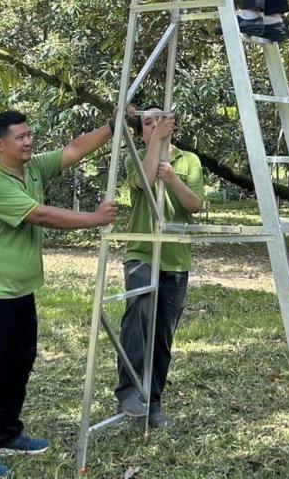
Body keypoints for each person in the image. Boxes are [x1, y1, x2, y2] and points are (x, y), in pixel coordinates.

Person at [0, 109, 120, 478]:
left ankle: (7, 432)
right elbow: (41, 216)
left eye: (30, 135)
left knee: (18, 363)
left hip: (19, 290)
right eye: (21, 137)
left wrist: (112, 126)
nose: (29, 141)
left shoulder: (31, 169)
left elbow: (75, 149)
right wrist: (95, 219)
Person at [115, 108, 205, 428]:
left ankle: (152, 401)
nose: (153, 126)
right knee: (138, 311)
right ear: (141, 135)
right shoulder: (135, 158)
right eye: (147, 124)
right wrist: (155, 144)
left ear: (171, 126)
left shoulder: (189, 160)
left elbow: (195, 205)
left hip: (176, 258)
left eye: (158, 120)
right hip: (141, 250)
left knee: (163, 334)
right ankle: (128, 390)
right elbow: (144, 181)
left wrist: (174, 178)